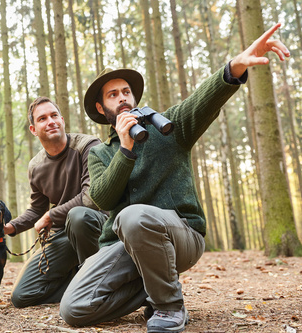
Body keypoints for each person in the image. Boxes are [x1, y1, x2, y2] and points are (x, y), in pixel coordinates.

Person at [59, 23, 290, 332]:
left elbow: (203, 99)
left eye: (126, 92)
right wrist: (125, 149)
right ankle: (154, 288)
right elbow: (102, 197)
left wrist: (234, 67)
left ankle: (169, 306)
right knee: (73, 308)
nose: (123, 98)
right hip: (124, 246)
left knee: (132, 217)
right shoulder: (100, 153)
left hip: (181, 236)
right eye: (114, 95)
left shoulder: (169, 127)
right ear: (102, 109)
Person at [4, 96, 107, 308]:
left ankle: (97, 284)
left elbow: (91, 198)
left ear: (62, 120)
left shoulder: (89, 146)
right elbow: (37, 209)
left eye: (53, 116)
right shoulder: (36, 166)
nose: (50, 121)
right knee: (21, 296)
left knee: (78, 216)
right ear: (33, 130)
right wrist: (9, 227)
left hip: (98, 226)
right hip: (63, 236)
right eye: (42, 119)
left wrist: (51, 215)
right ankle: (78, 285)